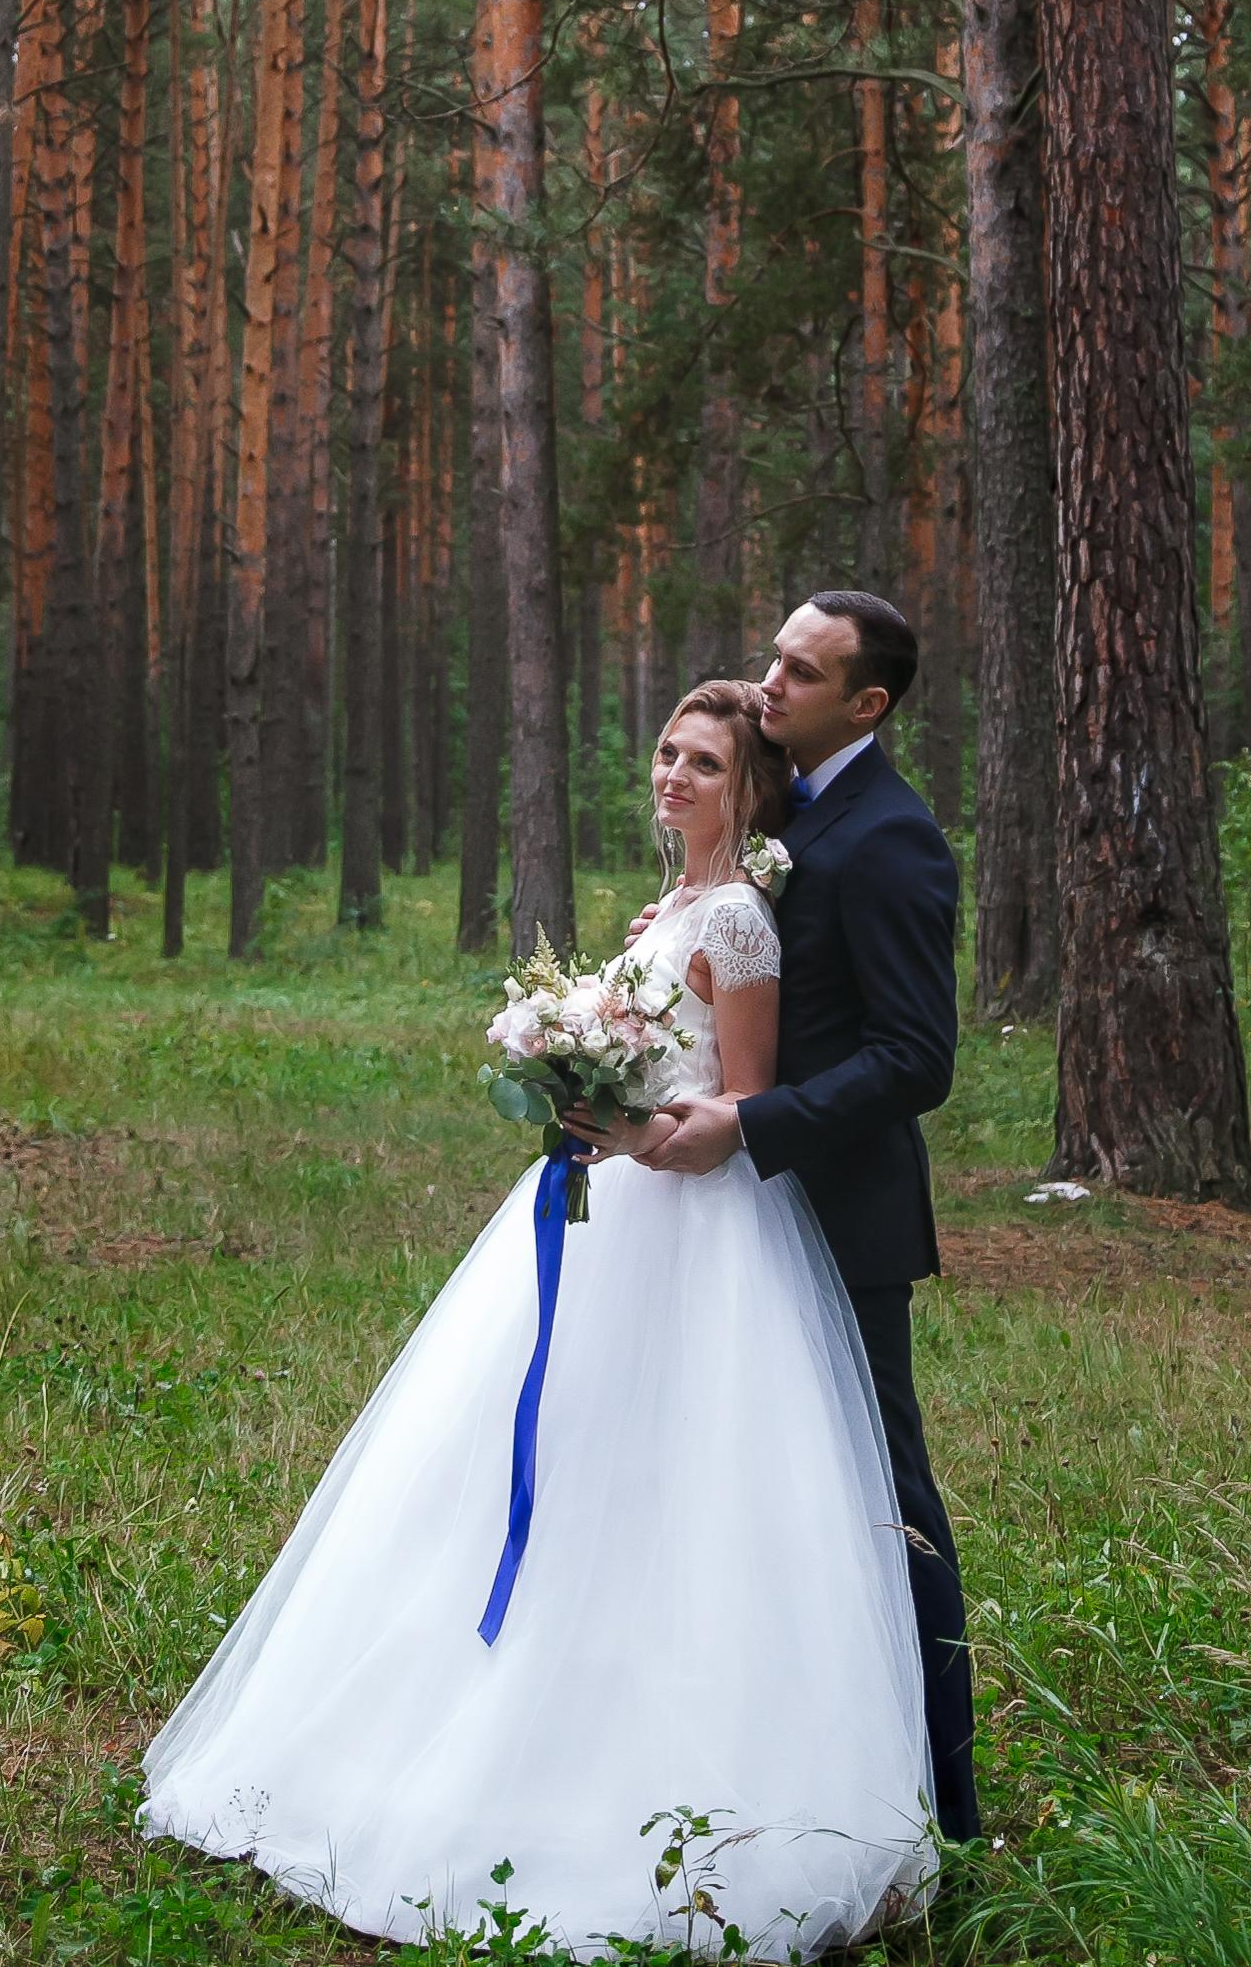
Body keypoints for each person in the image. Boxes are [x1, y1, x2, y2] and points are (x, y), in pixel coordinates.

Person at [141, 679, 937, 1955]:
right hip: (593, 1215)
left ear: (750, 788)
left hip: (694, 1243)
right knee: (537, 1472)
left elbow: (738, 1104)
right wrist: (567, 1064)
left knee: (665, 1497)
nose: (673, 777)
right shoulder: (672, 904)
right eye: (667, 755)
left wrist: (632, 1122)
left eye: (705, 764)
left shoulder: (737, 921)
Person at [634, 592, 981, 1845]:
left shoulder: (890, 837)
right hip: (730, 1225)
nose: (766, 679)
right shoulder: (792, 809)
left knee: (884, 1499)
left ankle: (943, 1799)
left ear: (867, 703)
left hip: (837, 1216)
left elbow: (914, 1056)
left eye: (799, 669)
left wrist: (751, 1123)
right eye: (773, 656)